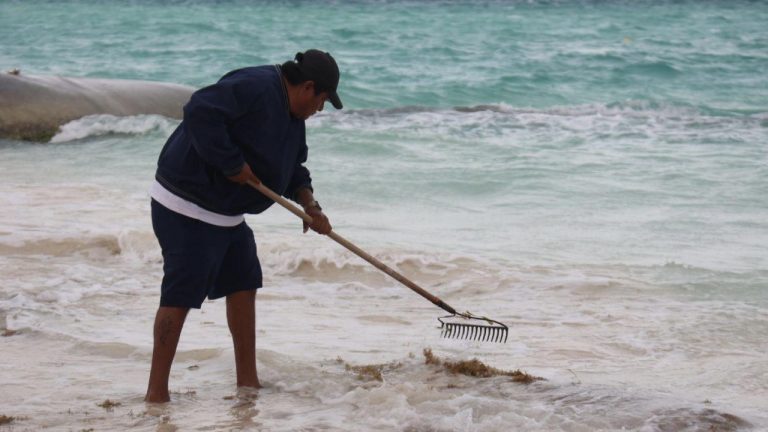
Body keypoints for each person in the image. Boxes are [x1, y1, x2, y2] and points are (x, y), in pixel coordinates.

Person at [144, 49, 342, 403]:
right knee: (180, 294)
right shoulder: (256, 86)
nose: (320, 109)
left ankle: (248, 384)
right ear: (308, 87)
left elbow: (294, 169)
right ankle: (156, 394)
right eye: (322, 100)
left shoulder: (294, 117)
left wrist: (310, 205)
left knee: (244, 281)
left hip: (227, 215)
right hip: (186, 204)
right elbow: (199, 110)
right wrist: (231, 163)